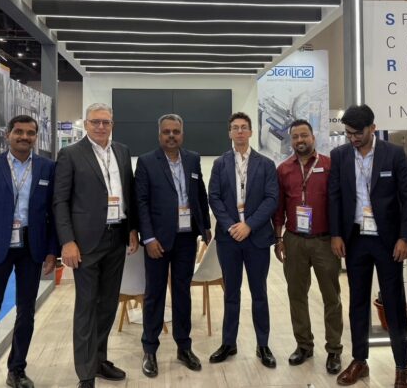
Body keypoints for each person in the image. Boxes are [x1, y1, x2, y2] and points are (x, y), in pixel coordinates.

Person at [0, 115, 59, 388]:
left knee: (26, 312)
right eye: (19, 132)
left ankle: (17, 370)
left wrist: (52, 251)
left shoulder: (47, 168)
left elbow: (53, 214)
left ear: (36, 137)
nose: (24, 137)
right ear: (7, 135)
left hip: (32, 247)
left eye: (30, 133)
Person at [53, 103, 139, 388]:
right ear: (86, 124)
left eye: (106, 122)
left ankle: (99, 359)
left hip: (117, 236)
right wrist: (67, 241)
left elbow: (128, 193)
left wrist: (132, 228)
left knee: (108, 304)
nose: (101, 127)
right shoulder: (70, 154)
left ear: (112, 124)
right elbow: (60, 201)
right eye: (95, 122)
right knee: (87, 306)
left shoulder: (122, 151)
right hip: (85, 242)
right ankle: (86, 373)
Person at [328, 104, 407, 388]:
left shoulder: (393, 154)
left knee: (393, 303)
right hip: (355, 239)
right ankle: (359, 361)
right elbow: (334, 196)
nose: (353, 138)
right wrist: (336, 234)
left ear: (372, 129)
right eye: (348, 133)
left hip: (388, 240)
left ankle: (401, 366)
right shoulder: (340, 155)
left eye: (358, 133)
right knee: (357, 302)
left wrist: (405, 237)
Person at [136, 113, 212, 378]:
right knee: (155, 294)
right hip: (158, 240)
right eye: (166, 131)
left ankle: (184, 347)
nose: (171, 136)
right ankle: (150, 349)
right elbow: (141, 202)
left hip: (186, 238)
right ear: (159, 134)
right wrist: (148, 238)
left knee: (182, 293)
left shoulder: (192, 158)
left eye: (176, 131)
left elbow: (199, 193)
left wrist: (205, 226)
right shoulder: (146, 162)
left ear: (182, 134)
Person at [208, 111, 279, 368]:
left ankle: (263, 344)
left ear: (250, 131)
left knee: (259, 293)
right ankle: (229, 343)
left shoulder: (266, 164)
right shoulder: (220, 164)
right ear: (229, 132)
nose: (239, 131)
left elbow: (272, 198)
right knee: (231, 293)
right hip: (229, 240)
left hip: (256, 237)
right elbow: (214, 197)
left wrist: (249, 225)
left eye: (244, 127)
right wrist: (231, 226)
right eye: (235, 127)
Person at [273, 119, 343, 373]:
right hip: (294, 240)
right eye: (295, 137)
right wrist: (279, 238)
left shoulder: (329, 165)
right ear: (290, 140)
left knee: (331, 297)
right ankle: (304, 345)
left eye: (304, 135)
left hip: (325, 241)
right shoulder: (283, 169)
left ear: (313, 137)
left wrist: (338, 236)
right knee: (296, 295)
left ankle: (334, 349)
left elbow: (339, 203)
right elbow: (279, 209)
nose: (300, 140)